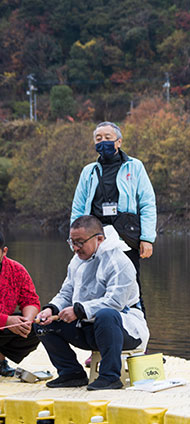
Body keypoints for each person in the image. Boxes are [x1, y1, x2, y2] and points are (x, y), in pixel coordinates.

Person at [36, 216, 149, 391]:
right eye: (72, 242)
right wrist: (51, 309)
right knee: (43, 325)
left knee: (106, 315)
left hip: (124, 330)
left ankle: (110, 377)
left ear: (99, 239)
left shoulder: (119, 262)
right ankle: (71, 373)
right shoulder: (77, 260)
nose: (75, 248)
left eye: (80, 242)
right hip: (89, 327)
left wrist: (78, 311)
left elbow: (115, 303)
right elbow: (66, 293)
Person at [71, 121, 156, 310]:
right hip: (95, 237)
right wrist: (75, 240)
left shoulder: (135, 167)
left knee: (131, 285)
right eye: (98, 138)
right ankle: (93, 321)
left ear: (119, 141)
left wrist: (147, 238)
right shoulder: (89, 171)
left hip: (126, 235)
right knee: (92, 284)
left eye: (107, 138)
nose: (103, 142)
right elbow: (78, 206)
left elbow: (147, 203)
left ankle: (136, 323)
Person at [0, 231, 41, 376]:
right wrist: (7, 320)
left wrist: (27, 322)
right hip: (4, 321)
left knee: (37, 328)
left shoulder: (16, 269)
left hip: (4, 325)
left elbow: (30, 300)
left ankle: (0, 360)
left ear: (4, 251)